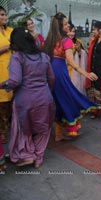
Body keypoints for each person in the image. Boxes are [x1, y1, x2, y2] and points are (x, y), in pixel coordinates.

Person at [0, 27, 55, 168]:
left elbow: (15, 81)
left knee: (25, 128)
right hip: (44, 98)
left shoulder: (17, 57)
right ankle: (38, 157)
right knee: (43, 128)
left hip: (25, 100)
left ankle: (27, 155)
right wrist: (46, 92)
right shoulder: (44, 57)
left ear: (16, 43)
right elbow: (51, 78)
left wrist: (1, 85)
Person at [44, 12, 100, 141]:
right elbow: (71, 62)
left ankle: (58, 134)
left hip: (49, 74)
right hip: (60, 75)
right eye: (65, 24)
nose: (67, 26)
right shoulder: (66, 40)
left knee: (56, 101)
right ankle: (68, 130)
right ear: (60, 26)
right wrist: (86, 73)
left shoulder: (49, 41)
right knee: (70, 99)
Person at [0, 6, 13, 144]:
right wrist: (6, 48)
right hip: (0, 72)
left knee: (11, 103)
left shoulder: (10, 31)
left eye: (5, 14)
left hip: (12, 70)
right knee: (2, 104)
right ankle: (2, 132)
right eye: (1, 15)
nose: (4, 17)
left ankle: (12, 129)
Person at [67, 23, 87, 95]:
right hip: (66, 70)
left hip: (76, 71)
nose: (72, 33)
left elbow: (83, 56)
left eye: (73, 31)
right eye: (70, 31)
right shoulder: (62, 42)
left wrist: (79, 51)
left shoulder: (78, 41)